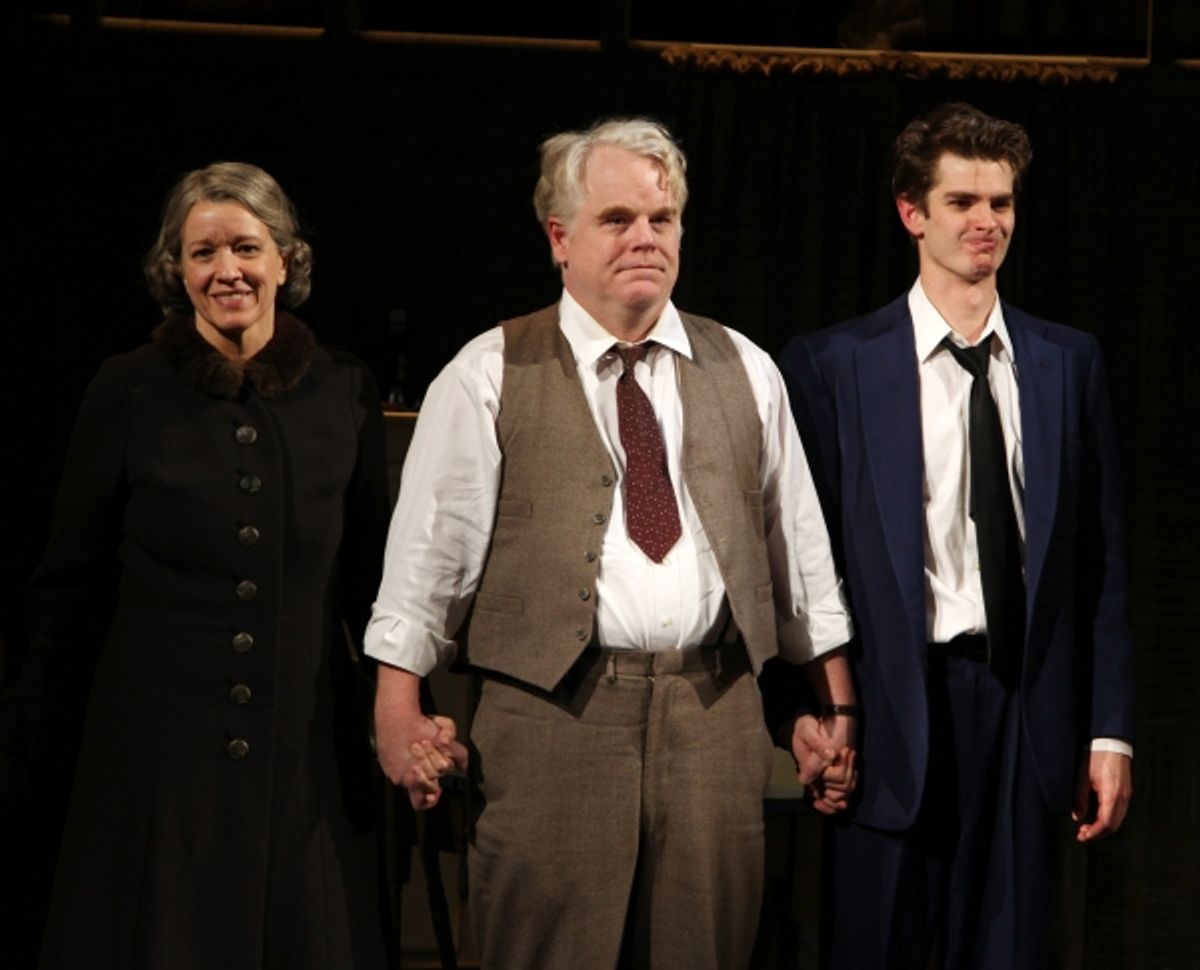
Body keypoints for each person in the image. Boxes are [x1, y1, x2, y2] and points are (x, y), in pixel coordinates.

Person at [365, 116, 856, 970]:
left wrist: (833, 708)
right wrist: (397, 705)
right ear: (560, 237)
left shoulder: (745, 366)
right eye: (617, 219)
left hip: (713, 721)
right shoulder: (491, 369)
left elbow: (800, 559)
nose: (645, 239)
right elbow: (427, 564)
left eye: (662, 221)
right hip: (555, 721)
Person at [778, 102, 1135, 969]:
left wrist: (1109, 733)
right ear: (913, 214)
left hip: (1025, 710)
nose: (987, 222)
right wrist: (805, 713)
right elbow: (795, 559)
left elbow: (1102, 566)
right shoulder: (834, 365)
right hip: (895, 705)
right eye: (964, 202)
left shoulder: (1066, 361)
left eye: (1002, 203)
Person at [10, 162, 392, 969]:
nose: (227, 270)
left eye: (247, 248)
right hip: (156, 761)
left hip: (304, 757)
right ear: (174, 271)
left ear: (285, 261)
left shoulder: (342, 391)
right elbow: (67, 586)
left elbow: (373, 579)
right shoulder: (128, 389)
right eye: (203, 252)